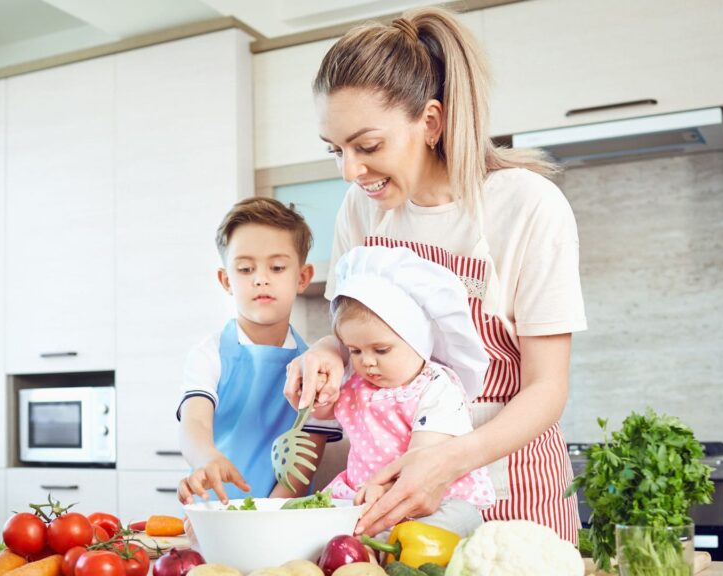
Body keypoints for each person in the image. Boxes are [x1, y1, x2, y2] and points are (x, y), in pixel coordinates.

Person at [284, 6, 587, 543]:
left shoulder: (526, 206)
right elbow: (350, 326)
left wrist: (449, 461)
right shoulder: (361, 208)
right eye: (336, 150)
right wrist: (328, 351)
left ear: (430, 121)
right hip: (390, 496)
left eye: (368, 146)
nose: (351, 171)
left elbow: (547, 388)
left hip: (509, 489)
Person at [320, 246, 495, 537]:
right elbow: (325, 413)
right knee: (322, 529)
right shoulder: (358, 385)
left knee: (445, 524)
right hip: (366, 497)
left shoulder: (437, 387)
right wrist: (319, 393)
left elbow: (423, 454)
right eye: (355, 350)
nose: (367, 361)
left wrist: (386, 490)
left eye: (381, 349)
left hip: (434, 500)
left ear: (418, 341)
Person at [177, 197, 341, 506]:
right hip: (212, 514)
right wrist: (207, 456)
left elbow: (303, 465)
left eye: (277, 267)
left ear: (302, 277)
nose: (260, 278)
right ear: (226, 280)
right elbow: (194, 424)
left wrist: (266, 516)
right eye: (245, 268)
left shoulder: (317, 370)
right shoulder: (208, 354)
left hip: (280, 517)